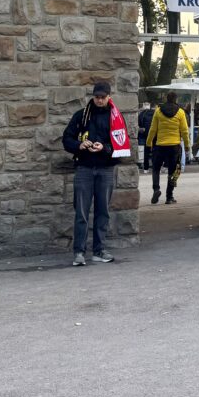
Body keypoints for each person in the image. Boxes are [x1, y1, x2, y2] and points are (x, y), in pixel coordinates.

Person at [62, 81, 124, 266]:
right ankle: (79, 252)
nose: (99, 100)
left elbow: (121, 146)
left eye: (102, 97)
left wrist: (103, 148)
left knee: (102, 211)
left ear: (108, 97)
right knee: (81, 212)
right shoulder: (81, 116)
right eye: (96, 97)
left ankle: (99, 250)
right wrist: (79, 145)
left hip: (105, 168)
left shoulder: (116, 118)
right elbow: (66, 138)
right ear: (93, 97)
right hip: (84, 168)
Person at [146, 91, 189, 204]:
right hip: (174, 147)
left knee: (156, 169)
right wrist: (187, 146)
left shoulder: (158, 111)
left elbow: (153, 129)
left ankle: (156, 189)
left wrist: (149, 142)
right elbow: (184, 131)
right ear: (176, 99)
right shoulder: (180, 112)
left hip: (160, 146)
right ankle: (169, 197)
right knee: (173, 171)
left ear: (166, 98)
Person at [137, 102, 154, 170]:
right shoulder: (154, 113)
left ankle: (145, 167)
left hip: (143, 135)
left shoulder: (141, 114)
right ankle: (154, 166)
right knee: (154, 151)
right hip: (152, 135)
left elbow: (138, 123)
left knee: (145, 152)